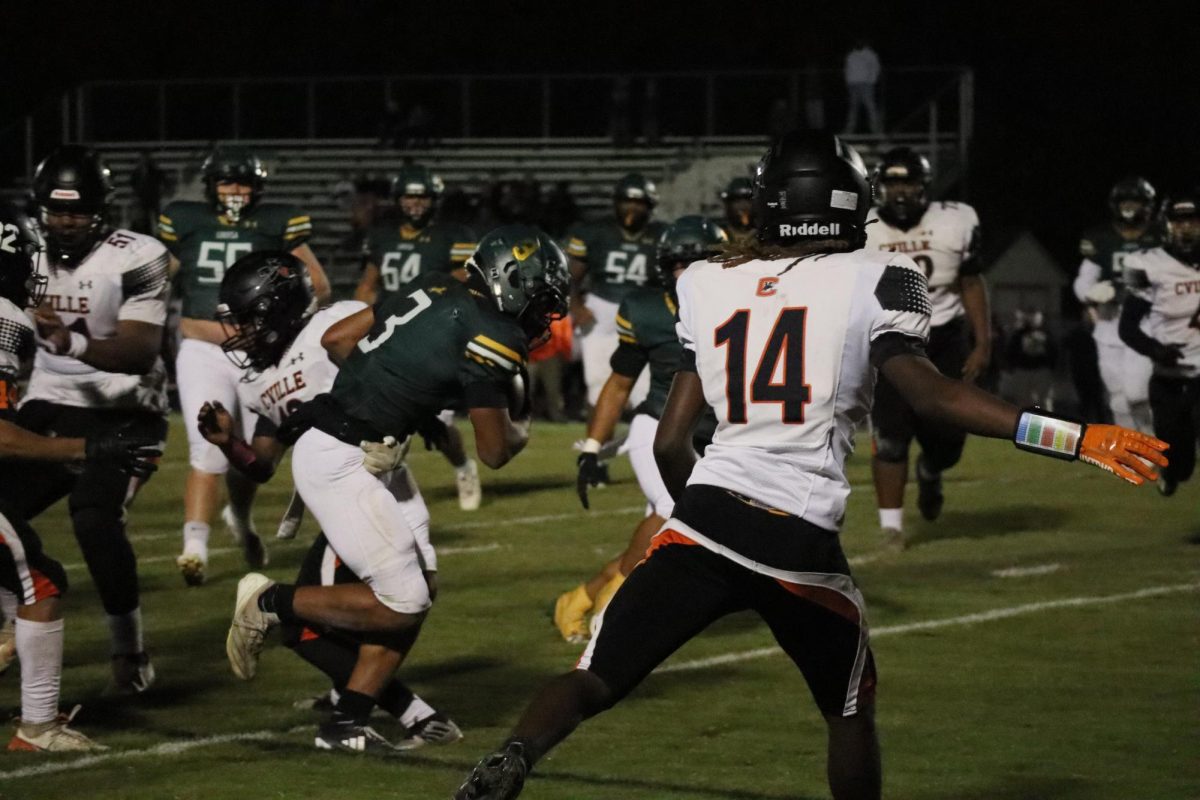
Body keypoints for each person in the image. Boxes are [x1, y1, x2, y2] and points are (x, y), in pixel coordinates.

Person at [453, 131, 1167, 800]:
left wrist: (699, 520)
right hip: (797, 537)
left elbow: (672, 443)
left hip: (705, 516)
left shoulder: (706, 280)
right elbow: (930, 395)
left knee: (593, 678)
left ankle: (515, 753)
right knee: (849, 707)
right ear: (851, 199)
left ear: (770, 201)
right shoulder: (884, 271)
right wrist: (1074, 436)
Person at [224, 226, 569, 752]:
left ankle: (349, 722)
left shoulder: (430, 284)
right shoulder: (496, 334)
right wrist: (520, 425)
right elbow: (495, 451)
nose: (544, 311)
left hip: (349, 446)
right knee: (401, 601)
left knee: (419, 590)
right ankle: (270, 601)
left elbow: (339, 343)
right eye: (541, 296)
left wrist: (395, 401)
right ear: (511, 282)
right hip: (344, 459)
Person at [196, 250, 461, 749]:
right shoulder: (259, 380)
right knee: (369, 610)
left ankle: (381, 712)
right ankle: (373, 715)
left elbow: (403, 361)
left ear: (277, 308)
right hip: (346, 483)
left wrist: (421, 413)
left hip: (383, 476)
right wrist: (228, 442)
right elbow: (263, 464)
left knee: (412, 597)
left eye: (248, 318)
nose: (240, 333)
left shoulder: (335, 324)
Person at [0, 146, 171, 694]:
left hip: (124, 408)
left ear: (102, 211)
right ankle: (14, 618)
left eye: (75, 212)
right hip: (48, 401)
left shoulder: (138, 255)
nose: (64, 223)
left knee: (95, 519)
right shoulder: (22, 254)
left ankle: (129, 648)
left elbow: (140, 350)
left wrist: (67, 339)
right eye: (55, 211)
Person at [159, 146, 331, 586]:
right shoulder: (186, 221)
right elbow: (155, 277)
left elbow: (318, 284)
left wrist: (282, 323)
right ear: (211, 186)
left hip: (258, 352)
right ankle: (194, 547)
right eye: (227, 182)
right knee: (206, 444)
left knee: (253, 450)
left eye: (243, 183)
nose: (235, 191)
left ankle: (241, 517)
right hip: (202, 346)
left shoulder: (276, 222)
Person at [555, 216, 725, 643]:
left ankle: (581, 596)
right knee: (675, 512)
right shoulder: (647, 309)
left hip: (713, 434)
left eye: (704, 262)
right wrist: (593, 445)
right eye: (683, 264)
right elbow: (620, 381)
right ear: (665, 269)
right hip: (657, 429)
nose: (693, 274)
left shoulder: (739, 305)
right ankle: (613, 610)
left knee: (668, 525)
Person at [865, 147, 991, 549]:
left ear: (925, 186)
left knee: (949, 438)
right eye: (892, 183)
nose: (900, 192)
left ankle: (932, 470)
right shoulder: (862, 226)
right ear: (880, 187)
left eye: (909, 183)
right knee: (889, 437)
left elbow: (971, 281)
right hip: (887, 337)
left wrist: (983, 341)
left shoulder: (956, 219)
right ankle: (892, 528)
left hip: (944, 337)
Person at [354, 164, 483, 510]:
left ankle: (463, 466)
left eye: (422, 196)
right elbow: (369, 282)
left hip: (432, 327)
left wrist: (427, 291)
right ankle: (387, 483)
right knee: (375, 410)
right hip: (390, 326)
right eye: (409, 195)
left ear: (434, 200)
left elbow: (465, 277)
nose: (415, 202)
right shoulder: (382, 235)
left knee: (437, 421)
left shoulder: (454, 235)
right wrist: (355, 317)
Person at [1120, 188, 1200, 497]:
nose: (1186, 227)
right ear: (1166, 225)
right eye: (1179, 222)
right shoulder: (1149, 264)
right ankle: (1170, 468)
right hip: (1170, 379)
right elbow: (1127, 328)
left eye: (1192, 221)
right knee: (1181, 464)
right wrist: (1156, 350)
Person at [565, 173, 666, 410]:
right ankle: (597, 442)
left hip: (644, 309)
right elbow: (570, 277)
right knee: (597, 383)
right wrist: (576, 305)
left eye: (639, 203)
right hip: (601, 305)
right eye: (626, 201)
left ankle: (641, 439)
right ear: (616, 202)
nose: (632, 207)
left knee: (645, 389)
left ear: (650, 206)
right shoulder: (593, 231)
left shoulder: (662, 235)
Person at [1074, 176, 1160, 432]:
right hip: (1108, 324)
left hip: (1145, 322)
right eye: (1126, 202)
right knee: (1118, 397)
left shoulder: (1160, 236)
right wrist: (1092, 294)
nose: (1130, 208)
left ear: (1147, 206)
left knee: (1136, 394)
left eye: (1136, 202)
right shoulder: (1101, 238)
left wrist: (1122, 286)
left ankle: (1151, 438)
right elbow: (1082, 282)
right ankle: (1134, 452)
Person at [843, 38, 882, 135]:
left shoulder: (870, 54)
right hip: (853, 84)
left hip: (866, 84)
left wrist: (872, 81)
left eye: (860, 41)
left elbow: (876, 68)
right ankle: (849, 130)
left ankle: (875, 129)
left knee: (870, 106)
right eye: (857, 42)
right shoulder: (851, 54)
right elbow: (847, 69)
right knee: (853, 108)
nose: (858, 43)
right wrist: (848, 81)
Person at [716, 176, 757, 246]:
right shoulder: (718, 232)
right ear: (728, 205)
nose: (743, 206)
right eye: (737, 201)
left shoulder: (766, 233)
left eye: (748, 200)